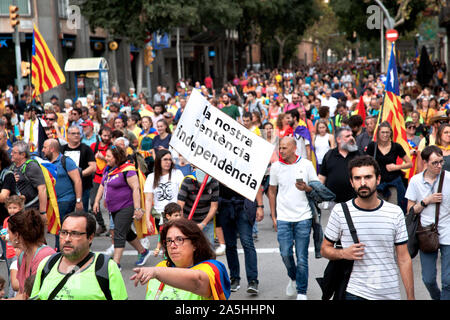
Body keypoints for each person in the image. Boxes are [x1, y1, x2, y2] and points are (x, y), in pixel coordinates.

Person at [321, 155, 415, 300]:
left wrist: (411, 296)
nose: (363, 183)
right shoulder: (340, 211)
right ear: (351, 182)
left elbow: (403, 258)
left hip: (389, 292)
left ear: (378, 179)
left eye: (368, 177)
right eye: (357, 178)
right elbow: (325, 249)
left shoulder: (395, 213)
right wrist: (343, 253)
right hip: (354, 292)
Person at [30, 211, 128, 300]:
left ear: (90, 237)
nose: (67, 239)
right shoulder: (47, 264)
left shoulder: (106, 267)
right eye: (64, 233)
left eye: (75, 234)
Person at [268, 136, 319, 300]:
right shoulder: (275, 167)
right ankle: (294, 277)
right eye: (280, 148)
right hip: (283, 217)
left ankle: (302, 292)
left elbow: (316, 189)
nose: (281, 151)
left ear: (294, 148)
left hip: (303, 217)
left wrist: (307, 187)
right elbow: (272, 191)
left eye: (284, 148)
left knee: (302, 257)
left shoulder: (306, 165)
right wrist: (274, 216)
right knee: (285, 253)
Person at [131, 218, 230, 300]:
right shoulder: (161, 266)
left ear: (195, 244)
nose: (172, 246)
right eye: (169, 240)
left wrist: (157, 272)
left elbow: (197, 281)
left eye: (179, 239)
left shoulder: (213, 268)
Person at [93, 146, 152, 268]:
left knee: (119, 232)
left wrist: (137, 209)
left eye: (109, 156)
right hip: (113, 208)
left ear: (117, 157)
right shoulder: (109, 169)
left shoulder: (128, 170)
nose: (106, 158)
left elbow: (135, 189)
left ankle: (116, 263)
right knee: (126, 231)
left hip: (126, 206)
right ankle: (143, 251)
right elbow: (102, 185)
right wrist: (96, 201)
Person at [405, 145, 450, 300]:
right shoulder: (415, 181)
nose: (439, 166)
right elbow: (410, 211)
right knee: (428, 279)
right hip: (426, 233)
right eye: (435, 163)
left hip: (448, 232)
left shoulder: (449, 178)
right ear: (425, 163)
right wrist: (426, 201)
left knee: (448, 281)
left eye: (441, 162)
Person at [42, 139, 83, 249]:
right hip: (51, 202)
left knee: (60, 229)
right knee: (56, 229)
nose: (42, 150)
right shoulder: (45, 163)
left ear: (52, 149)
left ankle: (60, 252)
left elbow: (77, 180)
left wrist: (79, 200)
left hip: (65, 200)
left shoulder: (66, 161)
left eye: (45, 147)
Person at [6, 209, 56, 299]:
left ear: (17, 235)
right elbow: (22, 293)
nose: (7, 236)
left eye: (8, 232)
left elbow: (37, 295)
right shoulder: (23, 256)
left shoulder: (44, 255)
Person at [365, 121, 412, 213]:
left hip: (393, 184)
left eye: (387, 132)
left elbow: (409, 164)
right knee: (376, 211)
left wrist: (396, 167)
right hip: (377, 185)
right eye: (383, 132)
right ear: (378, 133)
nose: (385, 135)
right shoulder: (372, 146)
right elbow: (366, 163)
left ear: (391, 133)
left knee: (393, 211)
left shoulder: (396, 146)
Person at [318, 126, 363, 206]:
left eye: (352, 135)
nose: (351, 138)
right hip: (333, 203)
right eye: (347, 136)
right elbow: (322, 177)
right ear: (339, 139)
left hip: (356, 202)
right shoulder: (329, 155)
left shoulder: (359, 155)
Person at [144, 149, 184, 234]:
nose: (168, 162)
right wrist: (147, 219)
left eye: (170, 159)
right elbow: (148, 200)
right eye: (165, 159)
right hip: (160, 216)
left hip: (175, 216)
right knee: (164, 243)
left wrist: (181, 215)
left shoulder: (177, 173)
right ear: (158, 161)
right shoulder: (151, 177)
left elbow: (182, 196)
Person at [177, 167, 219, 246]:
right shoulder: (187, 181)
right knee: (189, 247)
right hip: (188, 219)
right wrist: (184, 222)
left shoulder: (214, 183)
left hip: (206, 220)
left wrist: (203, 223)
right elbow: (180, 204)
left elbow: (214, 206)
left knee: (209, 248)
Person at [61, 126, 96, 212]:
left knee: (82, 214)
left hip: (83, 187)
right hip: (66, 189)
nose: (76, 135)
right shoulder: (62, 149)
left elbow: (93, 167)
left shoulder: (86, 149)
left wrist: (79, 175)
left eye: (78, 133)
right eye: (73, 133)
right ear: (68, 135)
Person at [10, 141, 47, 216]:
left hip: (31, 211)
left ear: (23, 154)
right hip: (16, 212)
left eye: (14, 152)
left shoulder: (31, 166)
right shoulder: (12, 167)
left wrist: (43, 212)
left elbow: (42, 189)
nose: (11, 154)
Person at [90, 126, 112, 235]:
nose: (106, 138)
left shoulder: (112, 148)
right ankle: (101, 225)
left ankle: (112, 227)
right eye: (104, 135)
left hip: (108, 178)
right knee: (93, 201)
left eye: (108, 136)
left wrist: (103, 158)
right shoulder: (94, 146)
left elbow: (116, 161)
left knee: (109, 203)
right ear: (100, 135)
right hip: (96, 178)